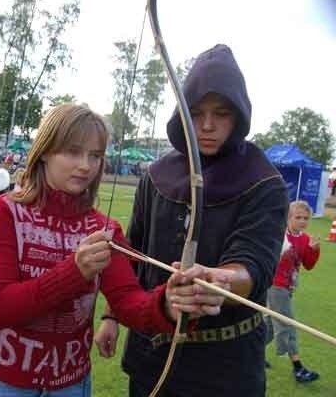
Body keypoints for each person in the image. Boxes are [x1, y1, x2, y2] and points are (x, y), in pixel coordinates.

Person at [0, 104, 226, 397]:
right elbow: (0, 308)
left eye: (96, 156)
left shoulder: (104, 228)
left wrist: (168, 303)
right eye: (73, 152)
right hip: (2, 383)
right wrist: (75, 272)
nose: (86, 165)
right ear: (46, 151)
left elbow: (129, 301)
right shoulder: (6, 211)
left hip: (70, 384)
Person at [95, 44, 289, 397]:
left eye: (221, 112)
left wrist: (218, 281)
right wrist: (111, 316)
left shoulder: (264, 182)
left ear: (240, 115)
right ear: (181, 114)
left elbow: (254, 263)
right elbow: (133, 254)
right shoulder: (156, 175)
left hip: (226, 367)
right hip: (153, 352)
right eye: (196, 113)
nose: (208, 125)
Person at [265, 200, 320, 382]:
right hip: (275, 285)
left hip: (288, 286)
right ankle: (298, 368)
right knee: (287, 325)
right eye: (298, 217)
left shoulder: (304, 239)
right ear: (288, 218)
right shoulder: (279, 236)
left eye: (305, 218)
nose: (302, 221)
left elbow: (309, 265)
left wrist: (314, 250)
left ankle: (249, 353)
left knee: (270, 327)